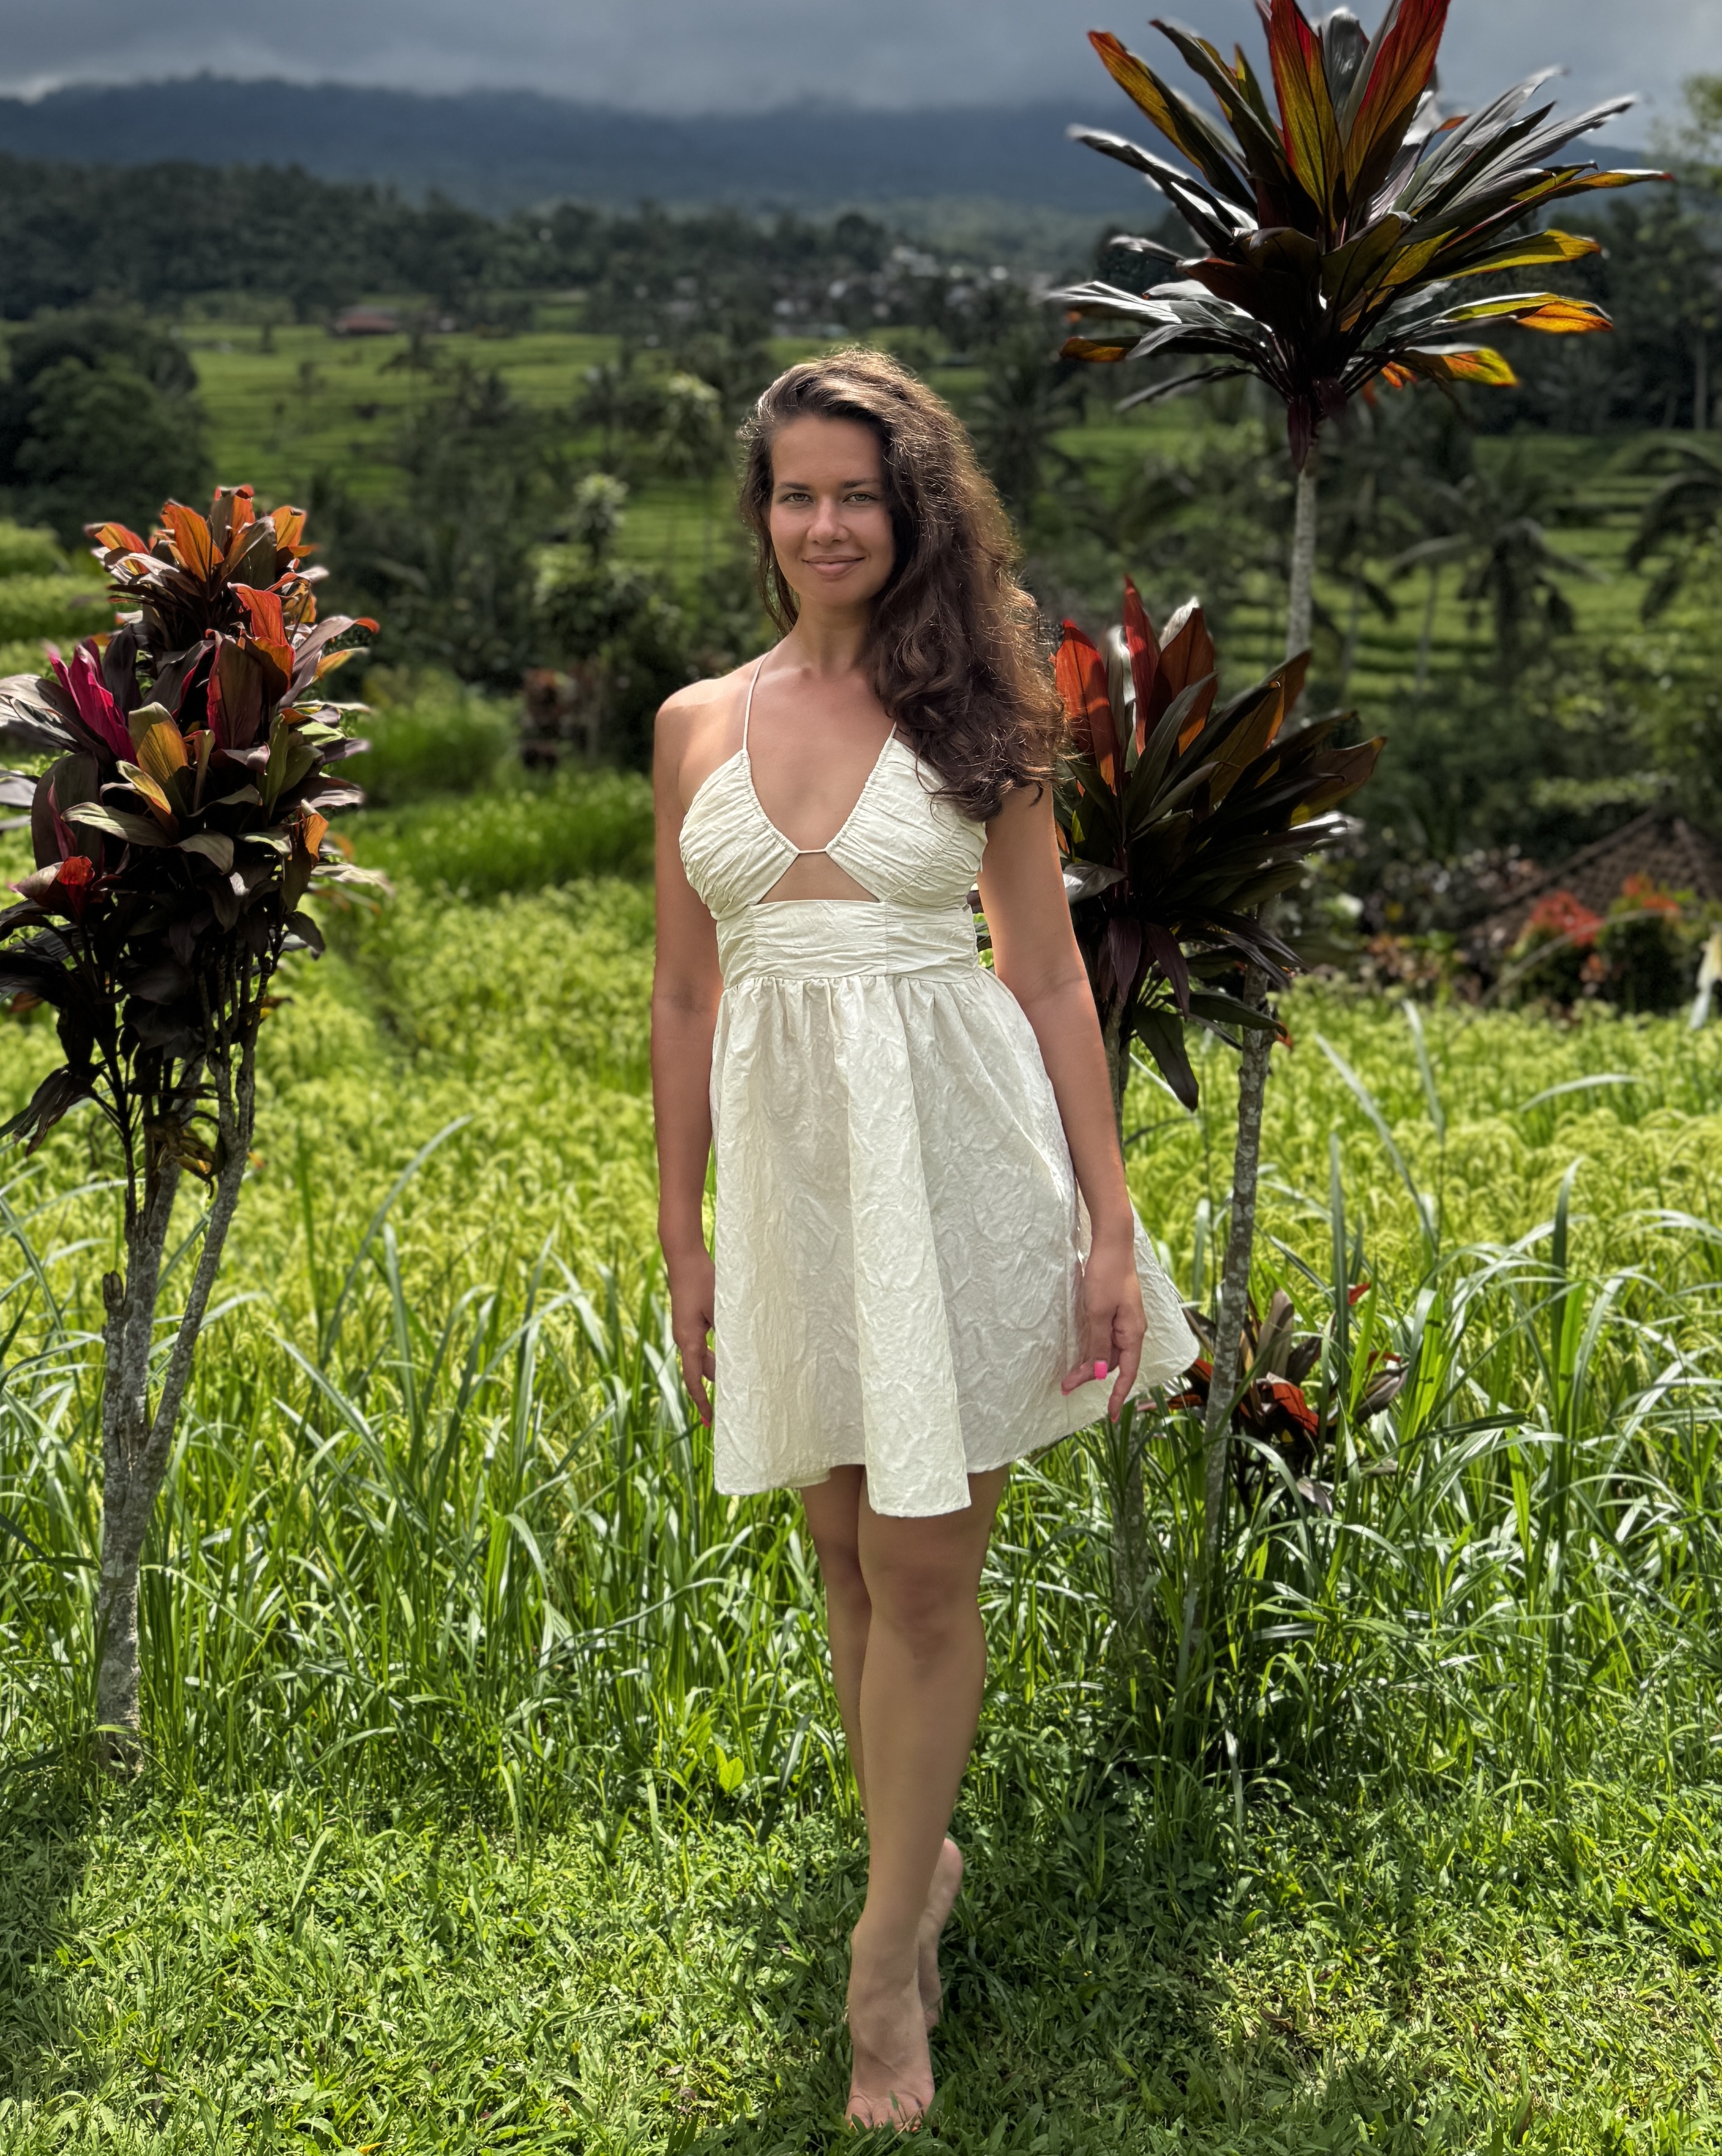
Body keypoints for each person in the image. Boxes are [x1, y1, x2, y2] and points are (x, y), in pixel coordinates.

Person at [650, 349, 1196, 2133]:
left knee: (928, 1556)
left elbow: (1043, 978)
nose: (823, 524)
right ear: (762, 514)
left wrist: (1111, 1229)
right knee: (836, 1536)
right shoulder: (693, 727)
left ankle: (885, 1963)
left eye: (856, 494)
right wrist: (683, 1241)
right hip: (794, 1187)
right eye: (794, 493)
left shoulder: (975, 711)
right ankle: (921, 1860)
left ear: (913, 512)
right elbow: (679, 1000)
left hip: (952, 1164)